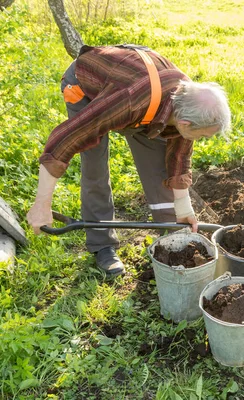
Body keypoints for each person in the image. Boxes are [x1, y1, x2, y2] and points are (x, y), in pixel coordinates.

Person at [26, 44, 231, 276]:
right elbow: (64, 141)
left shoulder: (188, 101)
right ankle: (102, 246)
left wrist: (183, 207)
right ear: (185, 123)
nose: (202, 139)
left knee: (160, 168)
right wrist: (42, 204)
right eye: (203, 135)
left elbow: (179, 157)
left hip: (144, 105)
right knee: (95, 166)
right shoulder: (130, 99)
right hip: (88, 88)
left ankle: (173, 241)